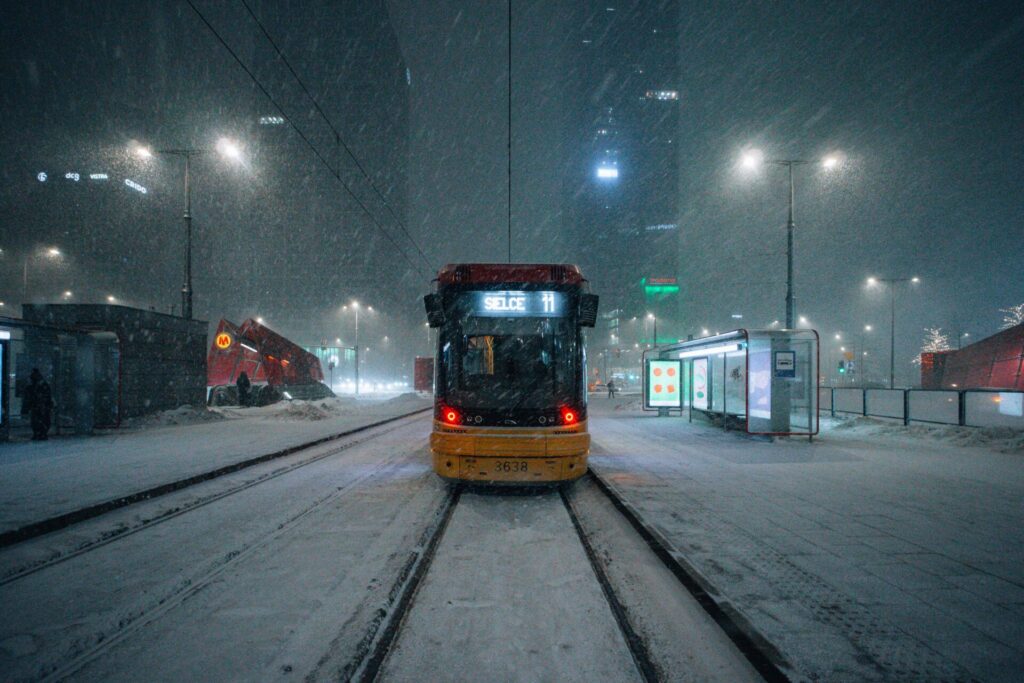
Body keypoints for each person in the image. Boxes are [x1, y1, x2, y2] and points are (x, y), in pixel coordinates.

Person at [25, 368, 54, 441]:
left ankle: (38, 433)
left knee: (36, 420)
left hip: (37, 406)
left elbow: (29, 397)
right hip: (42, 406)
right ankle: (42, 433)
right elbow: (48, 396)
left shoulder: (32, 387)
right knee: (44, 420)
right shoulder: (44, 385)